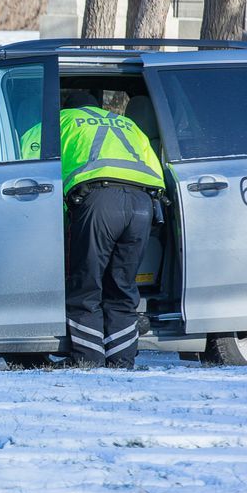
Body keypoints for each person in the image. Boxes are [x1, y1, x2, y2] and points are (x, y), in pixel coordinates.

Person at [59, 91, 164, 368]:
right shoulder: (128, 124)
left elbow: (32, 166)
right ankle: (122, 360)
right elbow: (156, 171)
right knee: (122, 286)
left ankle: (88, 358)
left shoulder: (62, 120)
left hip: (99, 200)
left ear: (67, 107)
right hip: (142, 203)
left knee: (86, 284)